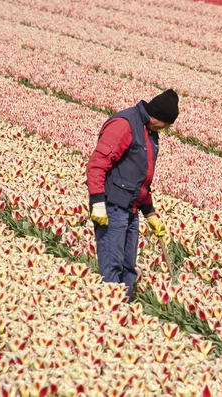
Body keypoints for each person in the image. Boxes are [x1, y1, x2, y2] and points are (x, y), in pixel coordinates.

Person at [86, 89, 179, 298]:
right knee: (112, 264)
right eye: (167, 124)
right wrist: (98, 202)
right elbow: (96, 165)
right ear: (160, 118)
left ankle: (124, 313)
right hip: (112, 206)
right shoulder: (125, 125)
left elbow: (140, 176)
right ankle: (109, 311)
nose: (166, 129)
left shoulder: (149, 131)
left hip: (131, 207)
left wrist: (150, 212)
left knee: (128, 266)